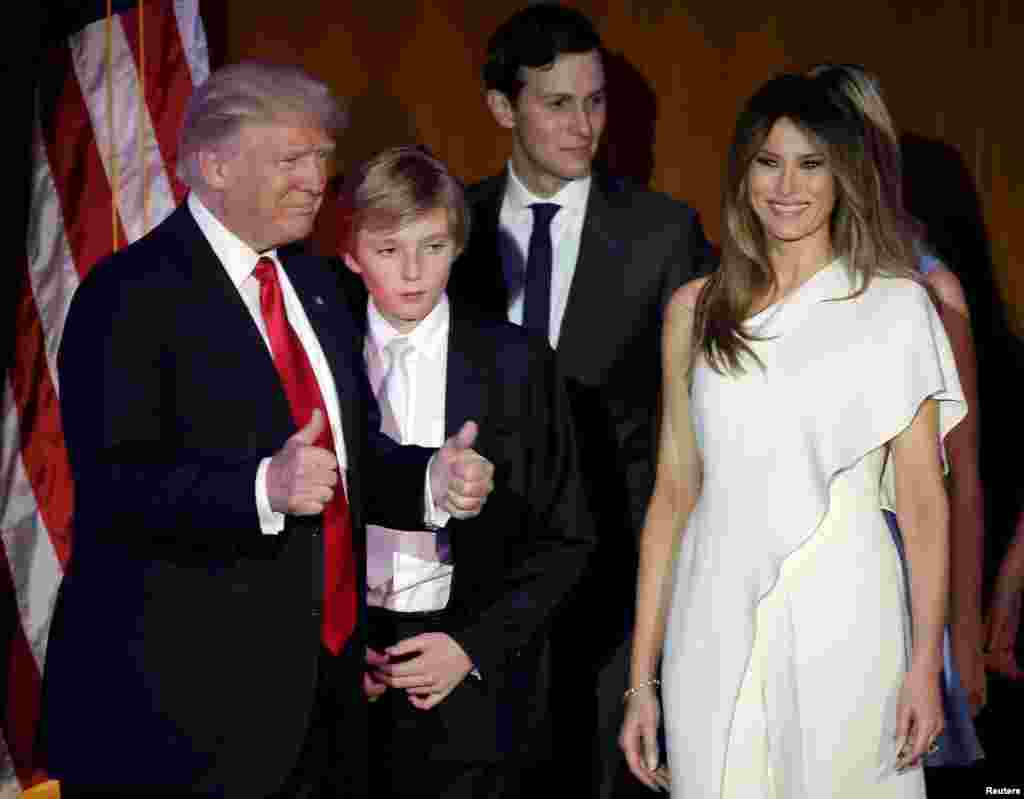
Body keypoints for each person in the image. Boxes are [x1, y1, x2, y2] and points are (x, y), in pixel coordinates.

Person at [41, 62, 493, 798]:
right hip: (177, 719)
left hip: (320, 706)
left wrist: (427, 480)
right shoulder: (127, 295)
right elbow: (116, 485)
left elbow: (340, 460)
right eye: (292, 159)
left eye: (321, 158)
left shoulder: (315, 285)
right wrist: (261, 486)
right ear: (214, 166)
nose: (319, 180)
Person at [620, 74, 966, 797]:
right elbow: (673, 494)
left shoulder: (897, 308)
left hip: (848, 609)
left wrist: (925, 664)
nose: (787, 185)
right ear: (743, 172)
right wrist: (640, 682)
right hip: (711, 609)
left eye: (811, 164)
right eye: (767, 162)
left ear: (845, 176)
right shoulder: (696, 309)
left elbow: (924, 501)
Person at [448, 6, 712, 794]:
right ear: (503, 107)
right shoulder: (448, 229)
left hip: (620, 588)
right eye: (557, 103)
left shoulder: (665, 234)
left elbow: (697, 425)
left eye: (594, 101)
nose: (582, 123)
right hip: (478, 590)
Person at [338, 145, 595, 798]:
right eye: (388, 249)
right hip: (345, 677)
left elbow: (568, 538)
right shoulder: (322, 356)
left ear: (458, 244)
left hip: (474, 682)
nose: (413, 271)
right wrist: (337, 645)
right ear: (350, 253)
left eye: (431, 245)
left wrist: (472, 646)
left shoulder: (518, 364)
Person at [807, 63, 986, 776]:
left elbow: (962, 474)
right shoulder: (762, 285)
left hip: (900, 583)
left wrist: (964, 632)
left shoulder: (928, 288)